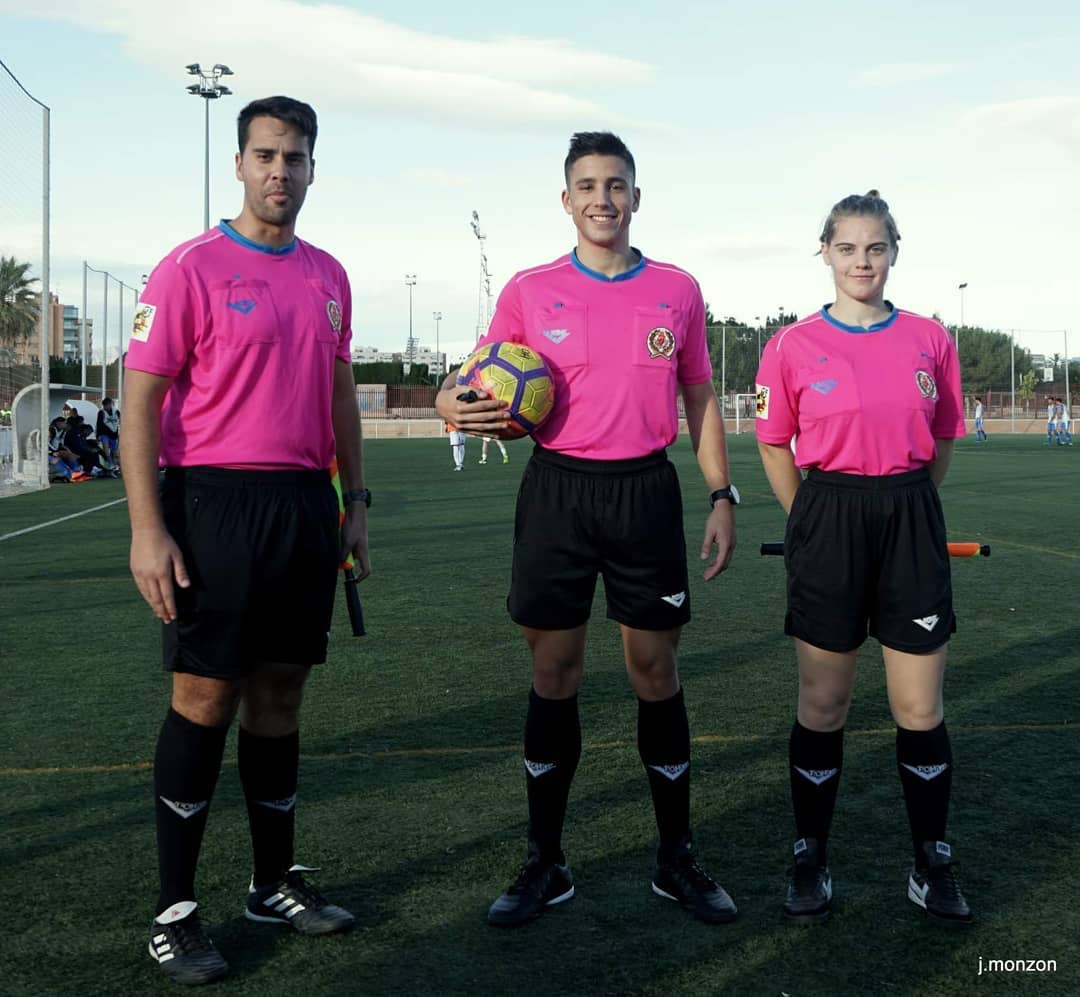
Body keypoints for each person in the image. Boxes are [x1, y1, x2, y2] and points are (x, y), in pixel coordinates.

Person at [436, 131, 738, 928]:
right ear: (565, 200)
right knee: (555, 673)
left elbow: (701, 398)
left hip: (644, 491)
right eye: (587, 185)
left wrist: (721, 493)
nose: (602, 198)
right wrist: (446, 404)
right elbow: (466, 379)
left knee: (654, 670)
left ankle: (676, 857)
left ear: (637, 197)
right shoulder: (532, 291)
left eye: (616, 184)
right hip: (558, 491)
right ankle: (546, 859)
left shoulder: (677, 289)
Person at [123, 95, 370, 987]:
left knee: (280, 694)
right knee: (204, 695)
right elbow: (142, 406)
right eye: (264, 154)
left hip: (305, 503)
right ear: (238, 164)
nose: (279, 171)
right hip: (212, 506)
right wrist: (149, 528)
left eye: (295, 156)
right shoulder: (188, 266)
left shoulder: (330, 274)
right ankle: (176, 910)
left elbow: (341, 394)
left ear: (312, 168)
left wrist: (356, 504)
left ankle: (272, 881)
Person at [754, 190, 972, 928]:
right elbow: (771, 441)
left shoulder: (928, 338)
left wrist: (903, 503)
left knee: (919, 705)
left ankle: (930, 860)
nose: (861, 261)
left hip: (910, 513)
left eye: (875, 247)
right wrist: (812, 519)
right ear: (824, 252)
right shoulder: (790, 344)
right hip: (829, 516)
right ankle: (809, 853)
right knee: (824, 703)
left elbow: (941, 441)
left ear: (893, 253)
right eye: (847, 248)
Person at [96, 396, 121, 469]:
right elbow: (99, 424)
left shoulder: (116, 412)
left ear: (110, 404)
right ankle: (110, 463)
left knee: (114, 451)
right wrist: (98, 435)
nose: (105, 407)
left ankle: (114, 464)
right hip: (104, 433)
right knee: (106, 448)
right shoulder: (101, 412)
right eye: (104, 406)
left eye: (107, 405)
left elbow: (121, 421)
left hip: (114, 434)